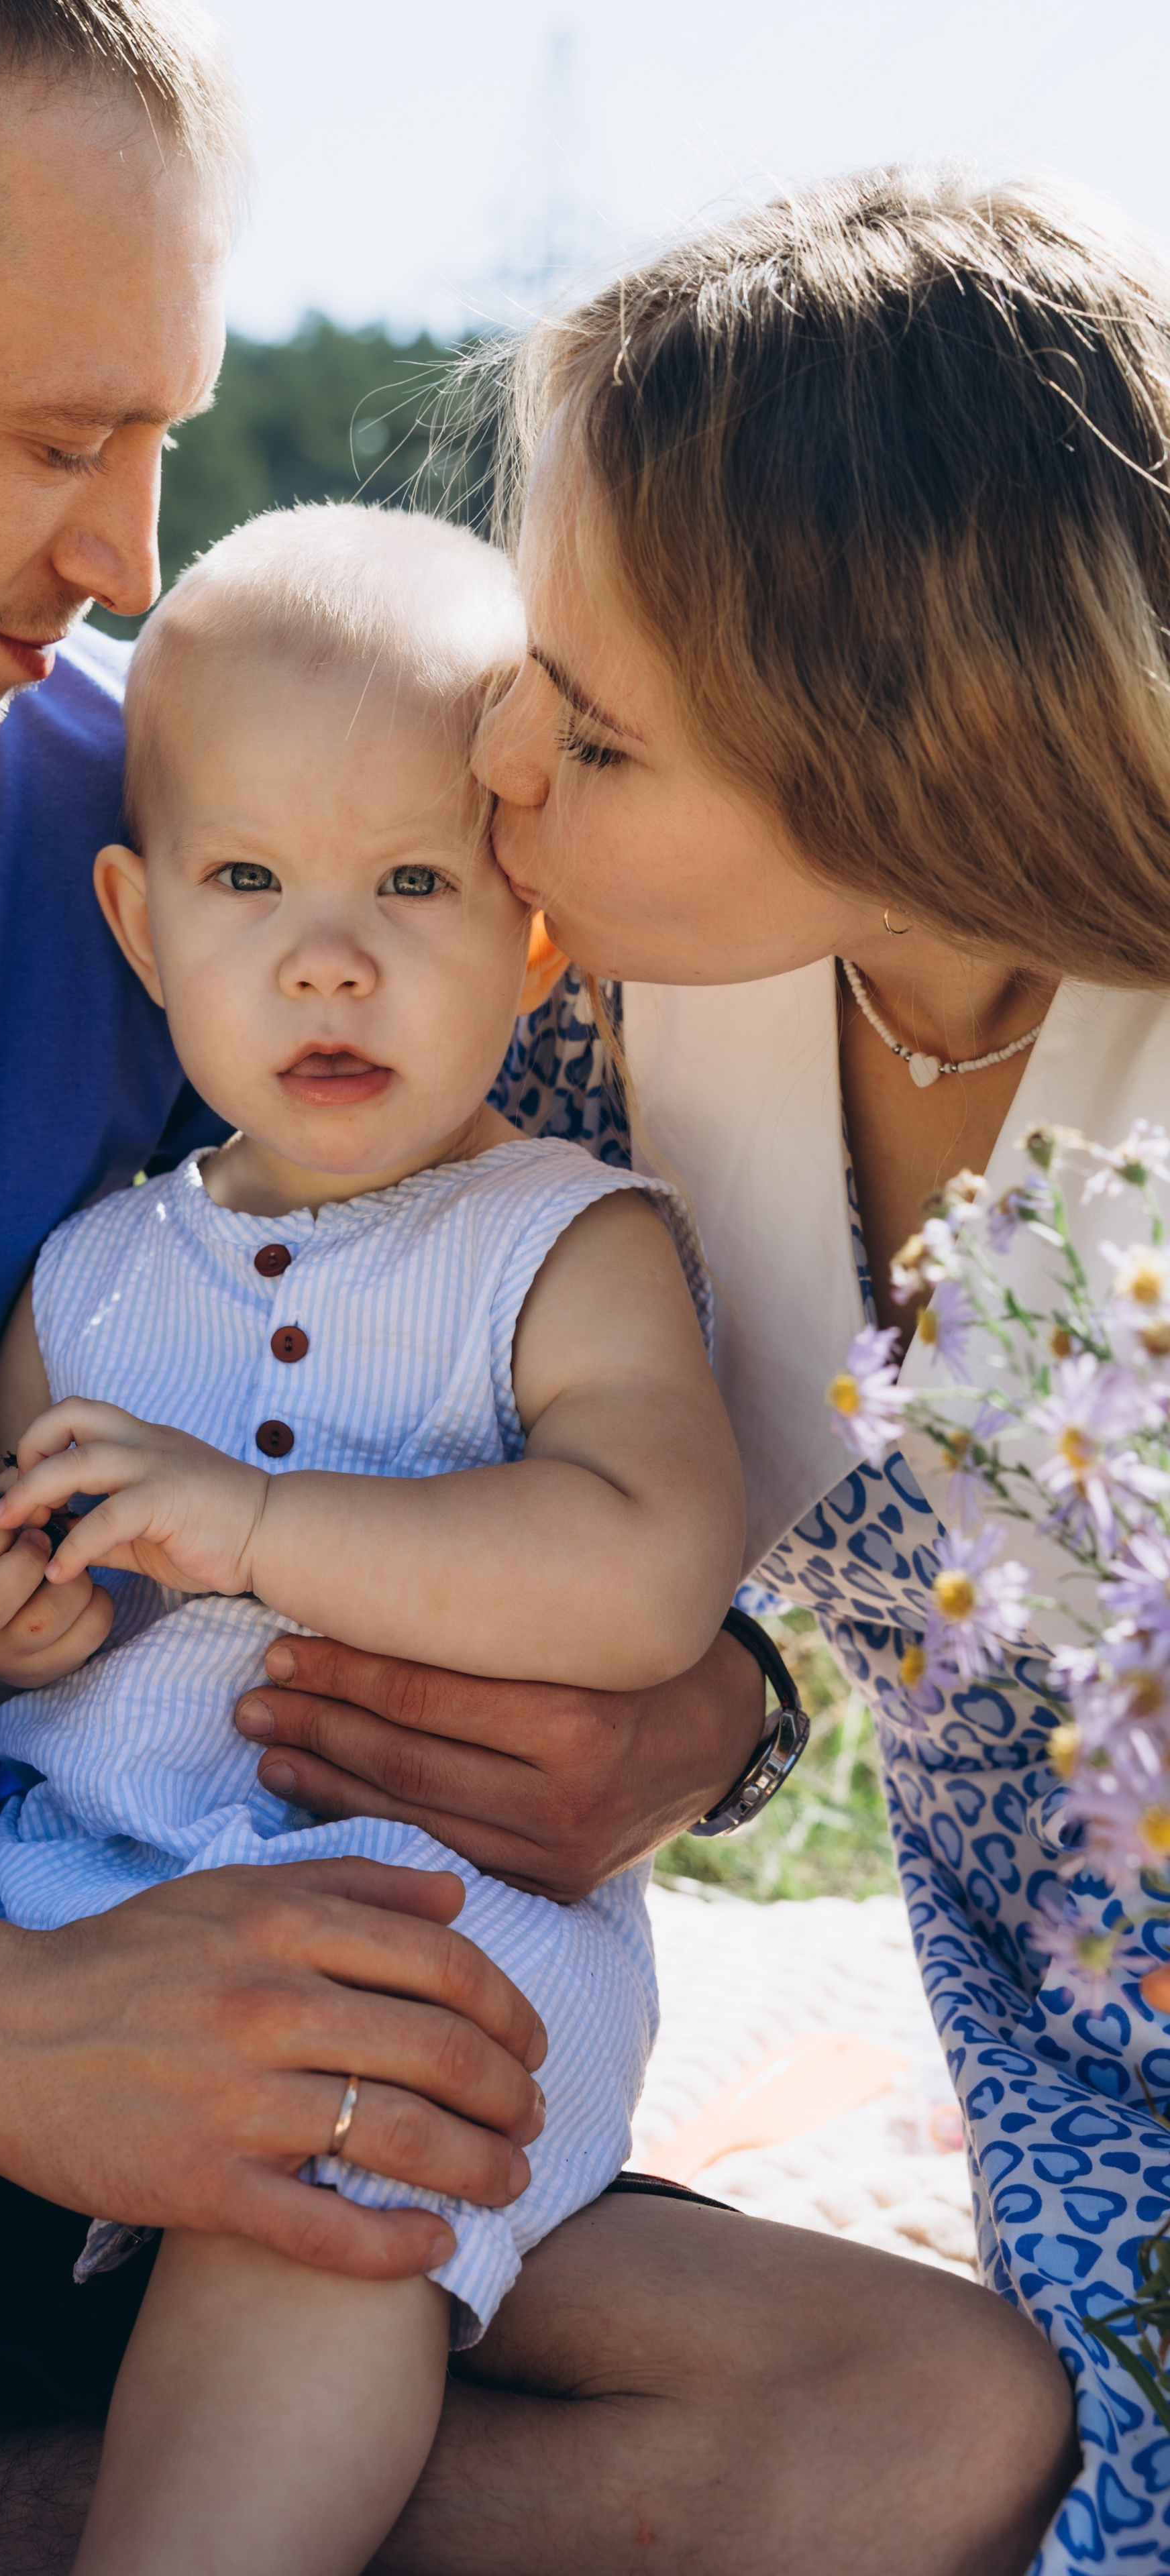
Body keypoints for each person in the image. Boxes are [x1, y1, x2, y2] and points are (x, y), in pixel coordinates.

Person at [0, 0, 1070, 2560]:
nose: (132, 557)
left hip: (197, 2007)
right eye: (61, 438)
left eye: (166, 439)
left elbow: (597, 1337)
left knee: (911, 2428)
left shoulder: (210, 834)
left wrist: (708, 1713)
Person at [0, 502, 745, 2576]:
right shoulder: (100, 1268)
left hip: (418, 1930)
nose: (329, 956)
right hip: (69, 1884)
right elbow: (3, 1617)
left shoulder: (563, 1243)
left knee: (341, 2167)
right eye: (249, 882)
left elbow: (650, 1565)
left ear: (535, 937)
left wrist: (256, 1525)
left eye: (413, 883)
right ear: (139, 928)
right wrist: (0, 1621)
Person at [465, 164, 1170, 2568]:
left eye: (594, 737)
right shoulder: (591, 1032)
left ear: (923, 778)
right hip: (1063, 2056)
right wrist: (733, 1697)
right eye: (524, 670)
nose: (497, 761)